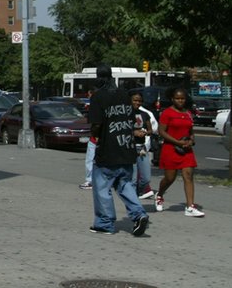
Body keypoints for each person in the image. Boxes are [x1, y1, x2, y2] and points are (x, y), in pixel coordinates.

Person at [87, 64, 149, 236]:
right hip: (126, 148)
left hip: (108, 150)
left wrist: (94, 136)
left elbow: (97, 124)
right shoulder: (124, 95)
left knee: (102, 187)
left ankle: (104, 223)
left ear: (98, 78)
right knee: (125, 185)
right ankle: (139, 214)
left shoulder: (98, 97)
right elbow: (130, 120)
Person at [155, 88, 204, 217]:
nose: (180, 100)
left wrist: (191, 141)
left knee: (188, 175)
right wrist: (177, 142)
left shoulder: (188, 113)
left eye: (182, 98)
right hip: (171, 149)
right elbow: (162, 132)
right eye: (177, 98)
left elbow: (191, 132)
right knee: (170, 178)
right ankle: (159, 195)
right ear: (172, 99)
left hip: (186, 150)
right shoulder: (167, 113)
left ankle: (190, 207)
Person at [130, 90, 157, 199]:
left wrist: (145, 132)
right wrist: (133, 132)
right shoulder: (126, 113)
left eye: (140, 101)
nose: (137, 103)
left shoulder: (145, 114)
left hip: (142, 148)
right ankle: (132, 198)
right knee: (133, 178)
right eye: (135, 100)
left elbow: (151, 130)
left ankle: (138, 192)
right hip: (130, 148)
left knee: (146, 178)